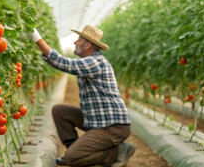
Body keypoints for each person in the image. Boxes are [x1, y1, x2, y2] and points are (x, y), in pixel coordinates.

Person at [29, 25, 135, 167]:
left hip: (112, 127)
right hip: (98, 121)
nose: (75, 42)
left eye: (79, 40)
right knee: (59, 110)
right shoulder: (90, 61)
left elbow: (65, 63)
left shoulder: (95, 62)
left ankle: (117, 152)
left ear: (88, 44)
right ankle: (76, 150)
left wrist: (36, 38)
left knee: (71, 160)